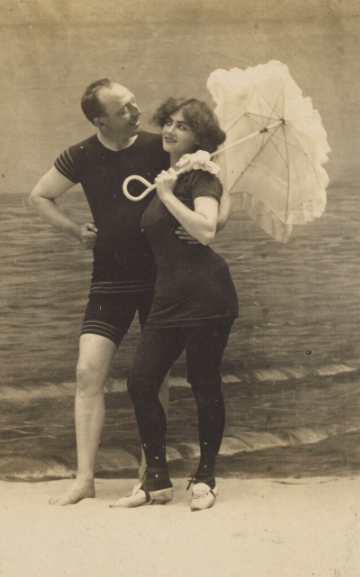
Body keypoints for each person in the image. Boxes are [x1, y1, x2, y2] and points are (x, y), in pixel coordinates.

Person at [29, 81, 229, 506]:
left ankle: (149, 474)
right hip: (111, 279)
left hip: (162, 279)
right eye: (125, 109)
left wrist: (215, 223)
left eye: (135, 103)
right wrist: (74, 230)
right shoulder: (80, 154)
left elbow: (214, 179)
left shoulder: (167, 147)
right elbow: (39, 196)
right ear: (101, 120)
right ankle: (85, 479)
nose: (138, 111)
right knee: (88, 372)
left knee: (151, 378)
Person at [110, 98, 238, 511]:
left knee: (204, 383)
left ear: (199, 137)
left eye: (182, 127)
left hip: (207, 294)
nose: (170, 130)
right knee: (141, 382)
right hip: (169, 296)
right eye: (168, 122)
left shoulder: (201, 176)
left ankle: (206, 479)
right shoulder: (172, 174)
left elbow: (206, 232)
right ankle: (157, 481)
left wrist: (167, 196)